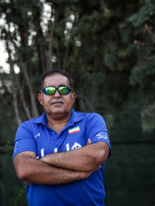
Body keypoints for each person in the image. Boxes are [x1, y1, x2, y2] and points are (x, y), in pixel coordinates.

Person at [12, 68, 111, 206]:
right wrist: (78, 173)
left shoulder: (91, 121)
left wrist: (42, 160)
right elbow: (24, 169)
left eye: (64, 90)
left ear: (72, 97)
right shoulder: (28, 128)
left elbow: (98, 154)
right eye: (49, 91)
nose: (57, 95)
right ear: (41, 98)